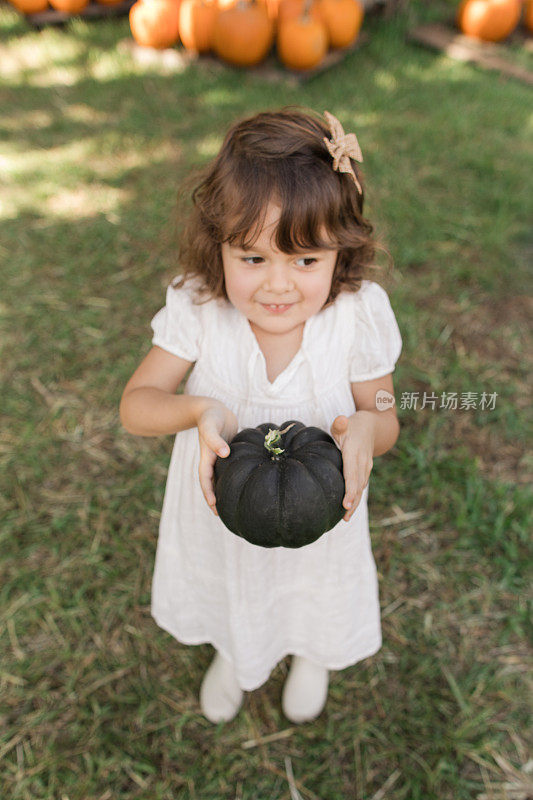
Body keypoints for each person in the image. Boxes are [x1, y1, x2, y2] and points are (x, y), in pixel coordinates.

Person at [119, 106, 402, 725]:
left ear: (341, 252)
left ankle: (312, 653)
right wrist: (199, 408)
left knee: (314, 587)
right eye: (252, 259)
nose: (279, 285)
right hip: (223, 508)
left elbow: (384, 416)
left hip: (323, 505)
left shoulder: (356, 315)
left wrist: (365, 432)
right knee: (232, 582)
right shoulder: (200, 309)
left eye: (306, 261)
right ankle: (236, 648)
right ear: (216, 243)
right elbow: (137, 406)